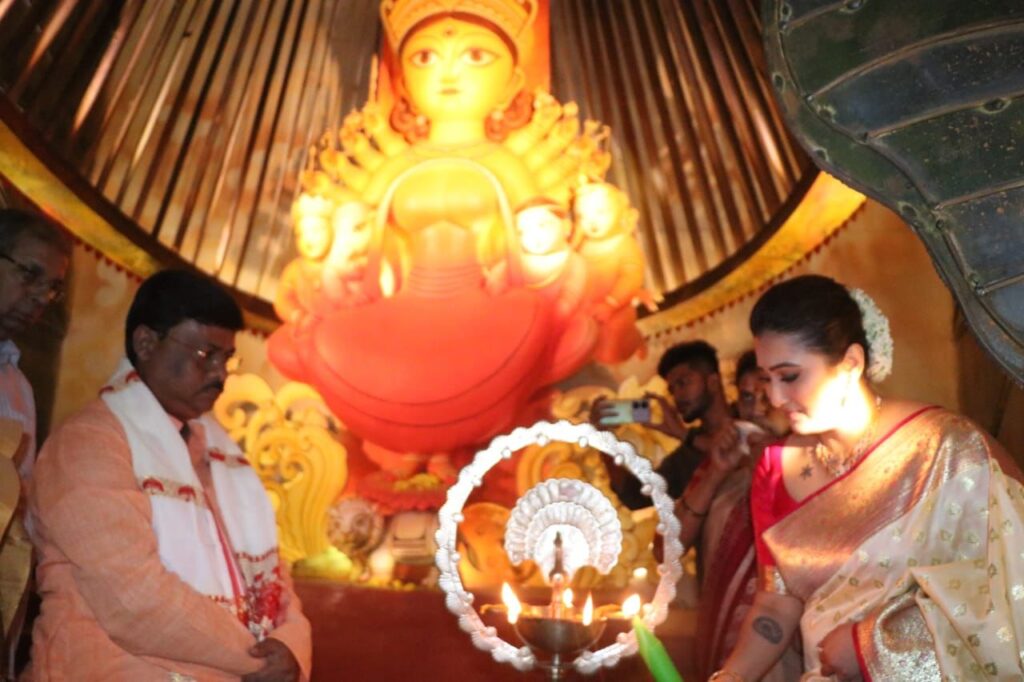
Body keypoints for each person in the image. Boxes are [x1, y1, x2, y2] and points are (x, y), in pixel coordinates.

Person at [712, 274, 1024, 682]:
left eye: (790, 377)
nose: (774, 398)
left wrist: (875, 645)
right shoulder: (775, 468)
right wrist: (731, 677)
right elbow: (775, 605)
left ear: (851, 365)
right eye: (767, 378)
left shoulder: (942, 446)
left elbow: (1005, 583)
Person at [26, 270, 311, 681]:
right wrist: (260, 659)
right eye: (205, 355)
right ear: (145, 342)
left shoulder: (221, 453)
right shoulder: (89, 443)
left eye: (226, 358)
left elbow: (278, 583)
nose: (221, 374)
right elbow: (133, 597)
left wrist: (291, 647)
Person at [0, 208, 70, 677]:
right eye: (30, 273)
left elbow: (20, 519)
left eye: (51, 287)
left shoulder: (18, 389)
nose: (40, 296)